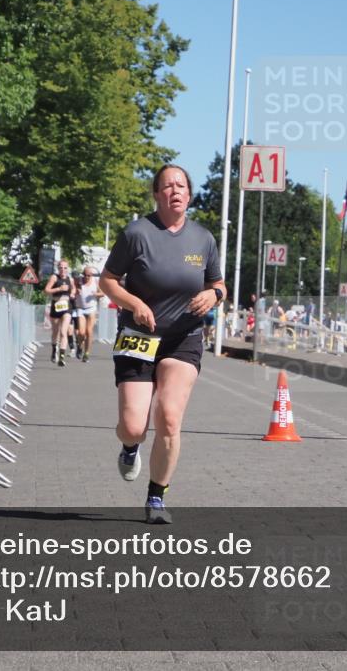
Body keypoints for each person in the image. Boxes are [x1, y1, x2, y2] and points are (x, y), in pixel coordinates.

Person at [99, 164, 225, 525]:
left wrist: (213, 295)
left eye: (182, 185)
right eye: (168, 186)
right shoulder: (137, 233)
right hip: (139, 336)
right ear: (156, 194)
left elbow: (219, 283)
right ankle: (129, 447)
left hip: (182, 337)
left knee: (169, 418)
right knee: (134, 426)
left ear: (189, 193)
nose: (176, 191)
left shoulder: (203, 239)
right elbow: (107, 281)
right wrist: (135, 304)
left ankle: (156, 496)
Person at [44, 260, 77, 366]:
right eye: (61, 267)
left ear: (68, 269)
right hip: (56, 305)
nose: (63, 270)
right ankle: (54, 350)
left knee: (63, 332)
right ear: (58, 268)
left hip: (67, 306)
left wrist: (72, 293)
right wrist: (59, 288)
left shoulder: (70, 279)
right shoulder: (54, 278)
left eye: (65, 268)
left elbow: (74, 289)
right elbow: (46, 290)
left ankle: (62, 357)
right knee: (55, 331)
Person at [75, 266, 101, 362]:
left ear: (91, 275)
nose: (87, 277)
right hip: (81, 308)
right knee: (81, 332)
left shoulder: (95, 281)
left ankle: (86, 353)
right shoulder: (78, 281)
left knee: (89, 331)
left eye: (89, 275)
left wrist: (96, 294)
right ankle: (79, 346)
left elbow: (102, 293)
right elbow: (73, 289)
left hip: (91, 308)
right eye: (85, 275)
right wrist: (76, 291)